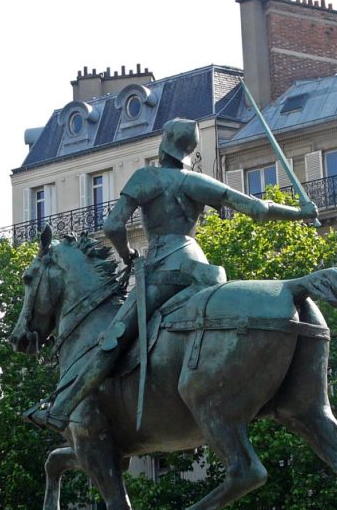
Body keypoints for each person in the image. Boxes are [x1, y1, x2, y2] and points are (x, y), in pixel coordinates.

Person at [25, 117, 318, 431]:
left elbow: (112, 226)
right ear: (189, 151)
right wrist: (300, 213)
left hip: (164, 271)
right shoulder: (196, 181)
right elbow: (255, 208)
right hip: (200, 270)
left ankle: (61, 409)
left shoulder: (146, 178)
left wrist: (127, 256)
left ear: (164, 144)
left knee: (112, 338)